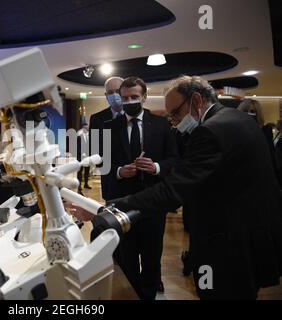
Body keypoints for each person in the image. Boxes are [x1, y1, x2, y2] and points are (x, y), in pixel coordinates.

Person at [70, 75, 282, 300]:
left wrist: (106, 210)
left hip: (225, 244)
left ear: (197, 100)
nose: (172, 120)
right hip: (255, 237)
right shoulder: (239, 118)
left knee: (213, 292)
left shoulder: (209, 131)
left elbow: (173, 190)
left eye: (175, 113)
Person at [105, 76, 179, 300]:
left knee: (151, 255)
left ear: (144, 97)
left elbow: (175, 159)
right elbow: (101, 165)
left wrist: (156, 167)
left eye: (134, 97)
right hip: (122, 204)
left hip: (154, 201)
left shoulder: (161, 124)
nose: (129, 101)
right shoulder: (108, 127)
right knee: (127, 256)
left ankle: (148, 295)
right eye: (125, 98)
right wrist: (119, 171)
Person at [88, 77, 124, 200]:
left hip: (137, 182)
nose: (114, 95)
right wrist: (117, 170)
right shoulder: (97, 119)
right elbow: (94, 150)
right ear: (106, 95)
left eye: (118, 91)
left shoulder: (137, 116)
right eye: (110, 92)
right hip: (110, 181)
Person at [237, 99, 279, 184]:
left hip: (262, 174)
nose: (249, 114)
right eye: (245, 111)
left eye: (253, 111)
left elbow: (270, 154)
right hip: (241, 174)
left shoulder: (266, 131)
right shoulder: (235, 131)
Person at [77, 122, 91, 194]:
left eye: (88, 127)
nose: (87, 128)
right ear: (83, 127)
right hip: (80, 156)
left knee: (87, 171)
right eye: (86, 127)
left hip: (88, 156)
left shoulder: (89, 135)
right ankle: (79, 185)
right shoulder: (79, 135)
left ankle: (86, 184)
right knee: (80, 171)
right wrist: (82, 154)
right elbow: (78, 147)